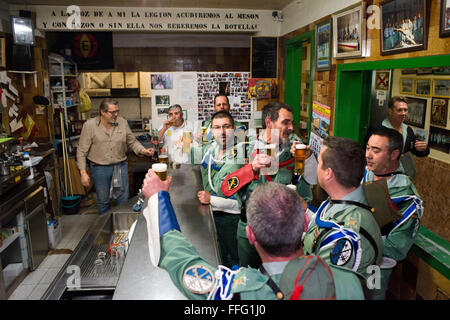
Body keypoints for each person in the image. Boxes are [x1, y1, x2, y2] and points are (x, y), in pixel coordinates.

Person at [142, 171, 365, 300]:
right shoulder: (350, 282)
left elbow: (182, 262)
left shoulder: (243, 291)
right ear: (304, 224)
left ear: (250, 235)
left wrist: (159, 199)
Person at [221, 102, 318, 268]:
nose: (290, 128)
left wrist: (308, 158)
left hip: (285, 233)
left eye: (291, 123)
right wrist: (250, 168)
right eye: (285, 122)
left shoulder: (295, 147)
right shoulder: (245, 147)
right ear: (268, 123)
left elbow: (314, 180)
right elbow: (225, 187)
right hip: (251, 229)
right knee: (249, 278)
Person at [302, 136, 383, 285]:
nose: (317, 167)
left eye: (319, 163)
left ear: (328, 173)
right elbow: (322, 231)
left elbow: (317, 286)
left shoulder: (347, 235)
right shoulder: (338, 201)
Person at [363, 126, 423, 300]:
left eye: (376, 150)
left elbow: (396, 248)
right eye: (367, 148)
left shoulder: (406, 197)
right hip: (351, 261)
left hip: (376, 267)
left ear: (394, 154)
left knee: (370, 296)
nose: (368, 155)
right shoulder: (366, 174)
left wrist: (360, 244)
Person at [77, 98, 154, 215]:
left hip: (120, 167)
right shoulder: (90, 126)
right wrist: (83, 173)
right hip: (99, 169)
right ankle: (105, 229)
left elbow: (132, 142)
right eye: (112, 112)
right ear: (102, 112)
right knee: (103, 201)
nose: (116, 114)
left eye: (117, 111)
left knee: (123, 200)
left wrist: (144, 150)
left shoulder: (122, 122)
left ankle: (123, 230)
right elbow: (81, 151)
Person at [192, 110, 246, 267]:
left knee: (233, 260)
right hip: (212, 216)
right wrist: (185, 143)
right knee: (216, 258)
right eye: (216, 127)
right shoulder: (212, 148)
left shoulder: (239, 156)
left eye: (226, 127)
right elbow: (190, 155)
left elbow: (238, 204)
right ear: (211, 130)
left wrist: (211, 199)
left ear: (234, 129)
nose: (221, 132)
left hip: (230, 219)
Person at [364, 96, 429, 179]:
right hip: (379, 173)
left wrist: (423, 149)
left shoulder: (408, 130)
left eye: (405, 110)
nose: (403, 113)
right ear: (390, 111)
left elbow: (414, 150)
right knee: (377, 192)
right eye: (399, 110)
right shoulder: (378, 128)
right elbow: (366, 151)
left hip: (402, 174)